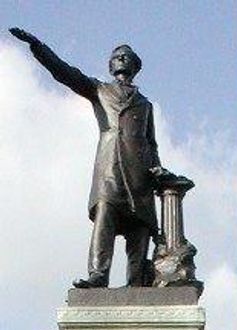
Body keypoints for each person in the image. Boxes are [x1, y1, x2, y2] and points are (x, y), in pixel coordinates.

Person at [9, 28, 169, 288]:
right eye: (116, 56)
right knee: (105, 215)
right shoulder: (99, 90)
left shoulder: (145, 104)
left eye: (126, 56)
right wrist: (37, 46)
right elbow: (64, 72)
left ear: (136, 66)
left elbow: (151, 143)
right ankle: (98, 275)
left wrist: (158, 170)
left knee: (139, 230)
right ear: (109, 65)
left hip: (140, 175)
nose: (120, 59)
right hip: (110, 170)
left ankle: (136, 283)